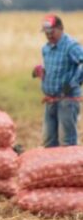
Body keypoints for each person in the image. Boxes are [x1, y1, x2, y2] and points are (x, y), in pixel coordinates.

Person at [40, 14, 83, 147]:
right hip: (50, 100)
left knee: (66, 141)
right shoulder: (46, 48)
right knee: (48, 141)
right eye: (46, 33)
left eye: (51, 32)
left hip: (67, 101)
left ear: (60, 29)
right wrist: (41, 73)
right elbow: (51, 70)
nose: (49, 35)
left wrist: (74, 83)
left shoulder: (71, 46)